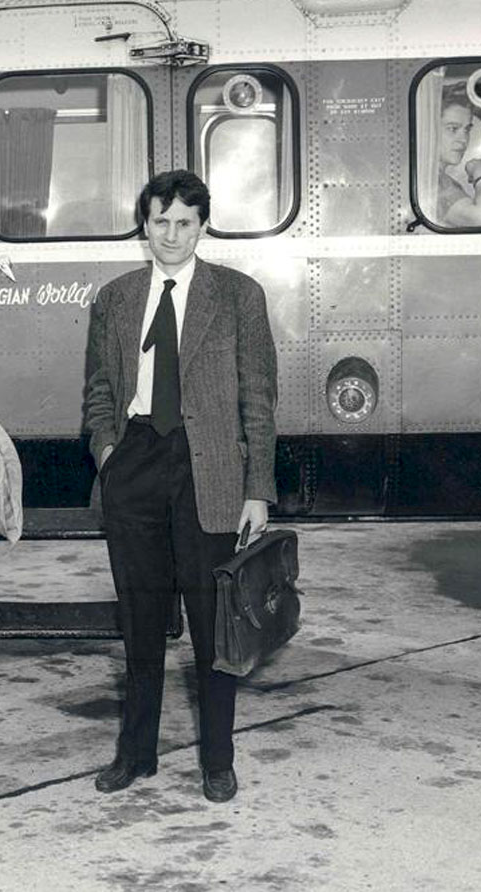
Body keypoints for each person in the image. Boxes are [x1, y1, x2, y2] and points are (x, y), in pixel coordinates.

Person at [82, 170, 277, 803]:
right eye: (160, 222)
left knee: (213, 626)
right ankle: (135, 755)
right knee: (139, 623)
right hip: (135, 462)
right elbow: (100, 391)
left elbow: (260, 400)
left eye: (184, 223)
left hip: (210, 470)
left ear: (202, 226)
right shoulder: (114, 298)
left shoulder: (238, 296)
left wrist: (258, 488)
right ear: (145, 225)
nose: (171, 234)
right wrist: (108, 451)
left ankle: (217, 761)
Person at [437, 82, 481, 227]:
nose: (463, 139)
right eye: (453, 128)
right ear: (429, 130)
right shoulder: (433, 182)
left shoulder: (441, 180)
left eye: (466, 130)